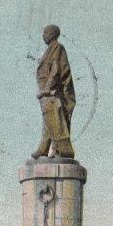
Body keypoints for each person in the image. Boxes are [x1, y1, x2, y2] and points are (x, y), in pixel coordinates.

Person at [32, 24, 76, 159]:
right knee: (49, 121)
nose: (43, 35)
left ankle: (62, 150)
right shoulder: (50, 49)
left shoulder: (57, 48)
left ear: (53, 34)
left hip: (56, 94)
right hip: (50, 94)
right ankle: (44, 148)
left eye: (46, 33)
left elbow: (56, 70)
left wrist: (46, 89)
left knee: (56, 120)